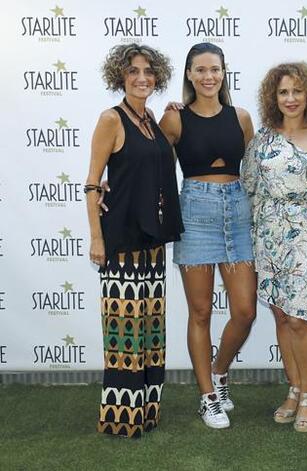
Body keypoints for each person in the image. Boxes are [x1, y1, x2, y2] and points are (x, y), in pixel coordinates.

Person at [85, 43, 183, 438]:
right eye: (133, 71)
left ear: (156, 76)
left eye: (148, 71)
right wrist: (96, 237)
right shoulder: (111, 119)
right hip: (121, 240)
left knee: (150, 332)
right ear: (120, 77)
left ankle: (147, 411)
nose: (141, 77)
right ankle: (121, 419)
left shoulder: (152, 120)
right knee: (124, 332)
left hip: (152, 241)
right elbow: (93, 182)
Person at [241, 62, 307, 433]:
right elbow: (248, 188)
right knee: (282, 315)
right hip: (268, 235)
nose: (290, 99)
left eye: (297, 91)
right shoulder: (261, 140)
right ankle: (294, 387)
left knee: (301, 317)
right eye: (283, 92)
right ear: (274, 97)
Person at [159, 42, 256, 429]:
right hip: (195, 213)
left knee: (245, 311)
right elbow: (151, 164)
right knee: (200, 311)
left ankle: (219, 370)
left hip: (237, 211)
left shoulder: (242, 117)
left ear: (223, 72)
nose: (208, 76)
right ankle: (207, 397)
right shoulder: (174, 120)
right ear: (188, 74)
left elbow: (255, 171)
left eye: (214, 69)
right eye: (200, 70)